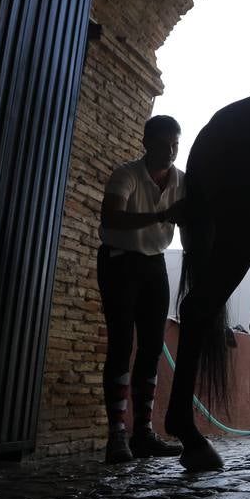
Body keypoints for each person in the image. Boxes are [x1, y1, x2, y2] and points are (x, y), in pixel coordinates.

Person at [97, 115, 186, 464]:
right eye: (163, 143)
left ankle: (143, 433)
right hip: (119, 261)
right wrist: (162, 216)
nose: (170, 151)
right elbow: (110, 218)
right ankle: (116, 437)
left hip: (154, 264)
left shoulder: (183, 182)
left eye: (175, 143)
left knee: (151, 347)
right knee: (121, 344)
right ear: (146, 142)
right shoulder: (127, 175)